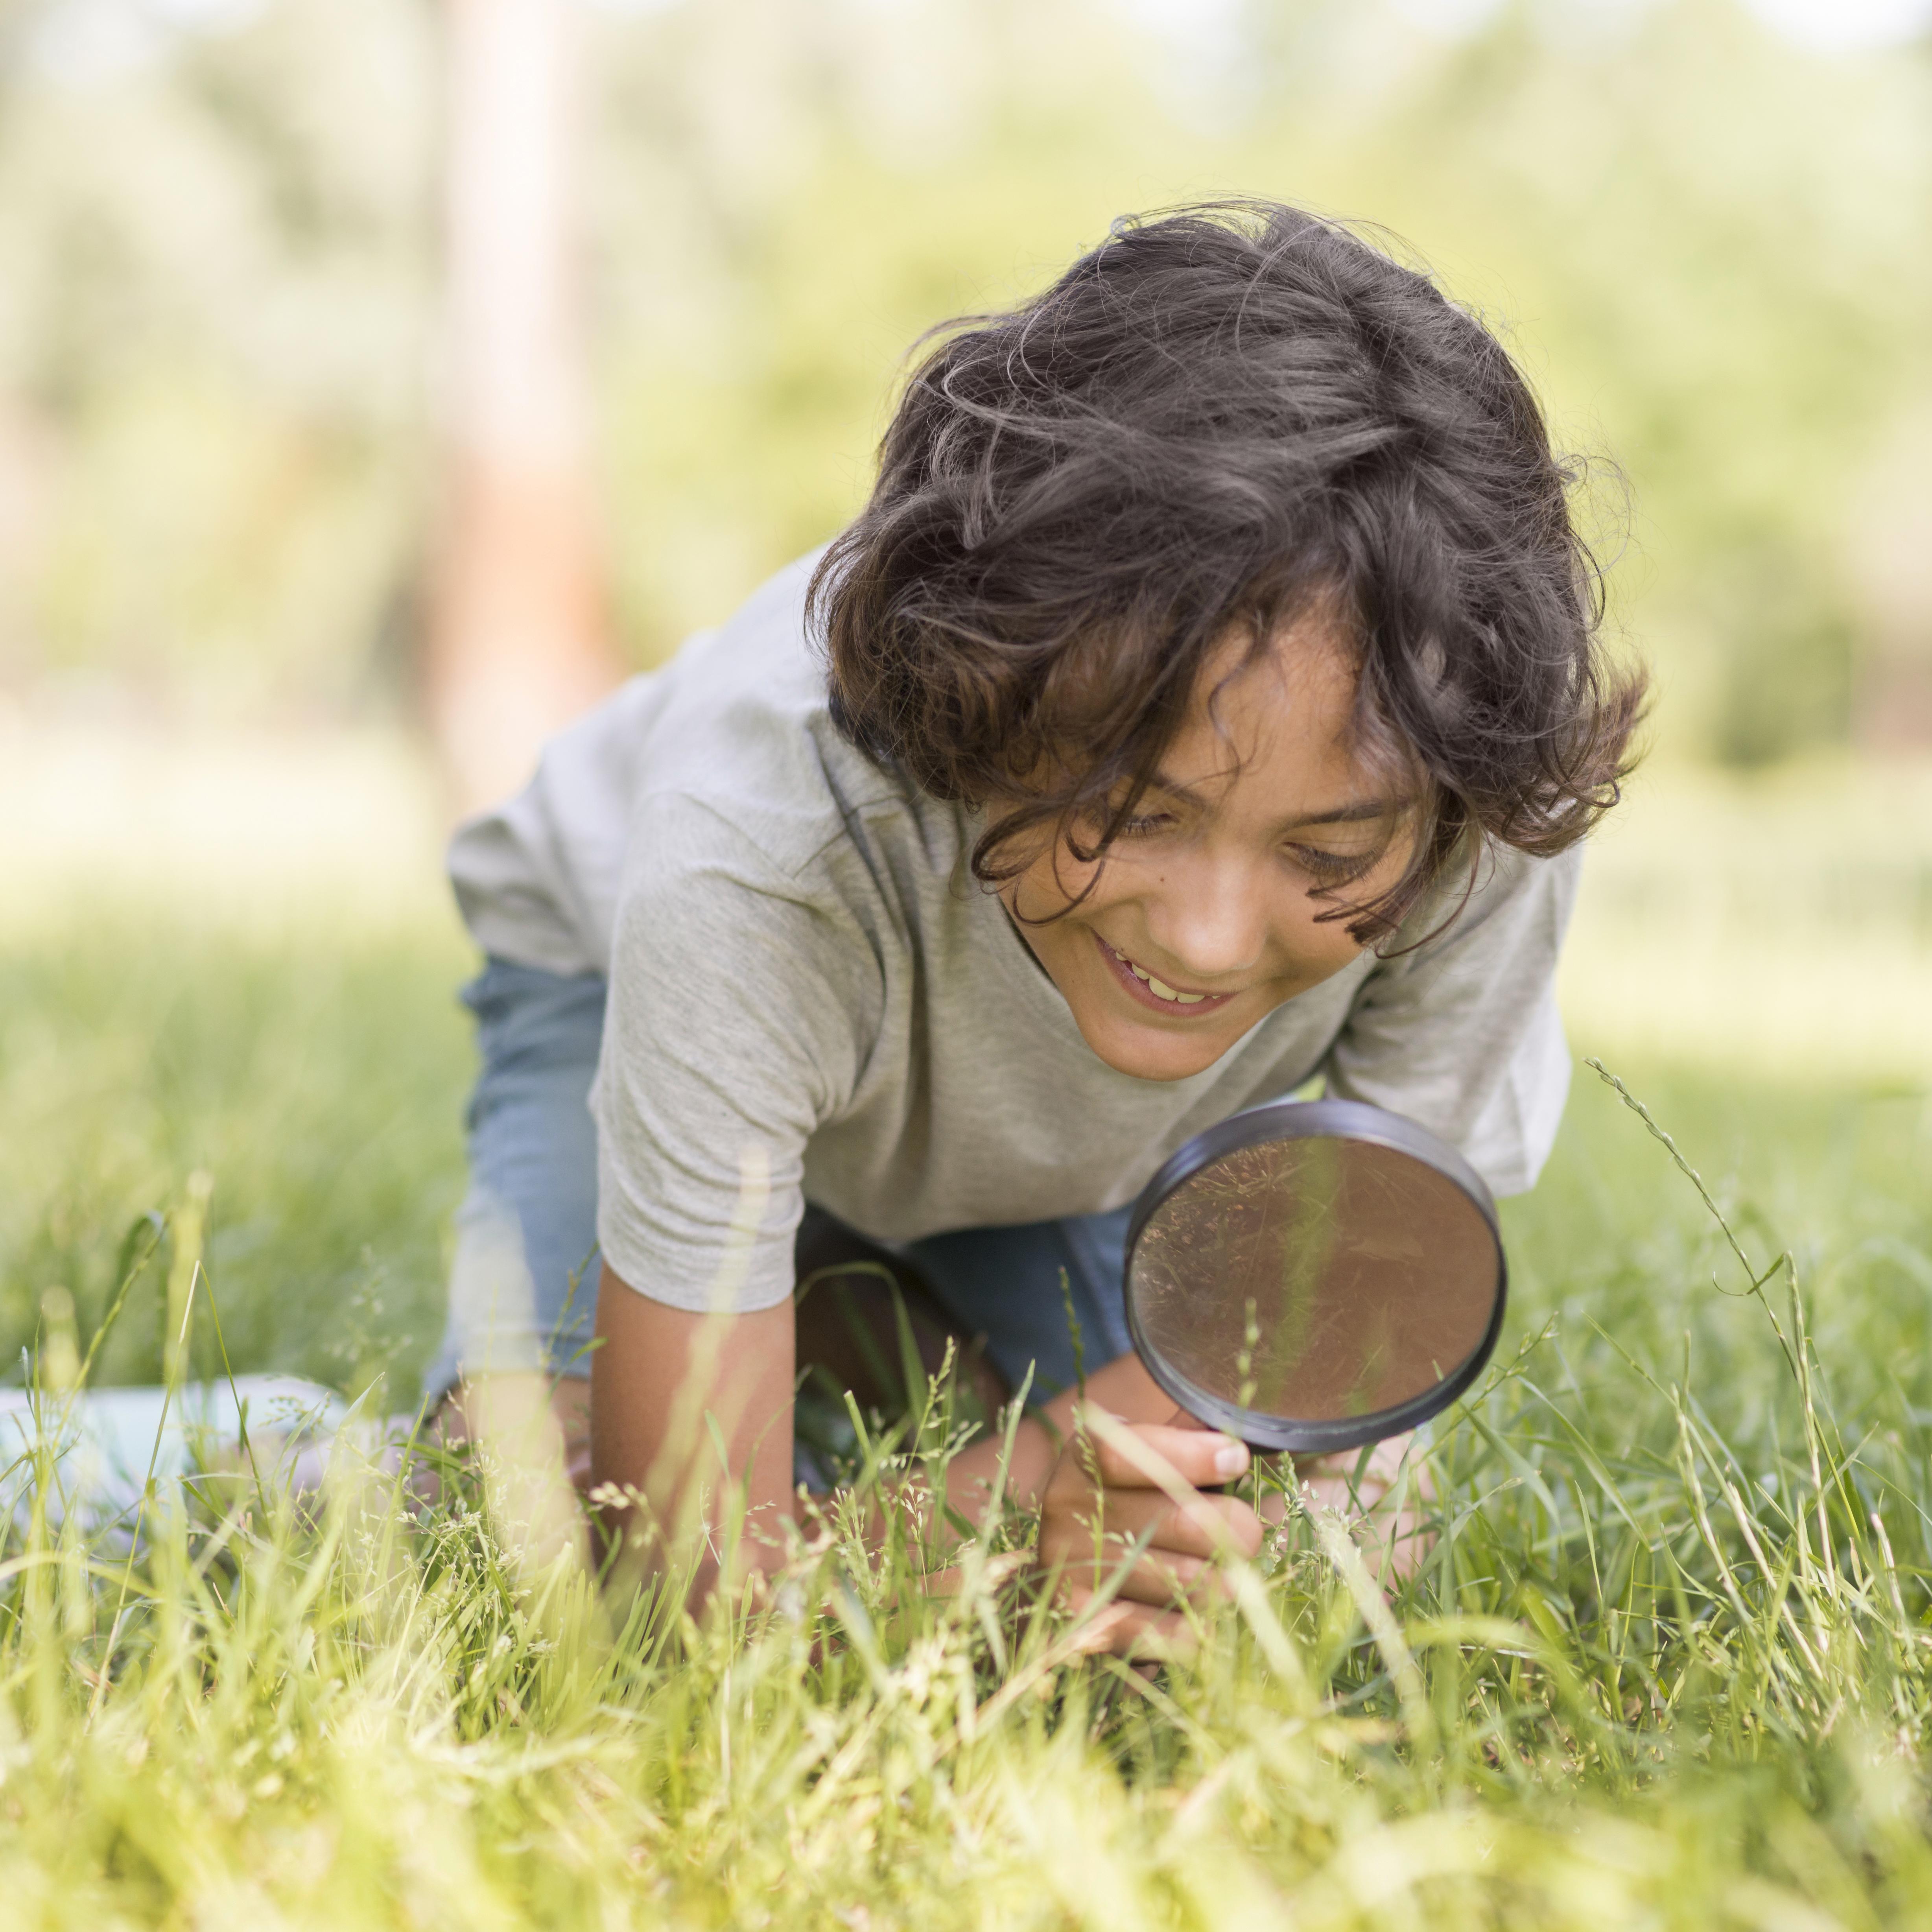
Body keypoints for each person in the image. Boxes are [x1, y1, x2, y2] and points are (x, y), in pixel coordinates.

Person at [430, 201, 1643, 1651]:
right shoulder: (765, 852)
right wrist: (1031, 1482)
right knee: (544, 1542)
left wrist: (1272, 1523)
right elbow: (693, 1596)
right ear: (988, 695)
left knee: (1215, 1524)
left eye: (1325, 850)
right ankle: (244, 1454)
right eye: (1133, 809)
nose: (1201, 940)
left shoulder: (1464, 786)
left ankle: (814, 1314)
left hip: (1022, 1107)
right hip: (618, 968)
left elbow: (1356, 1401)